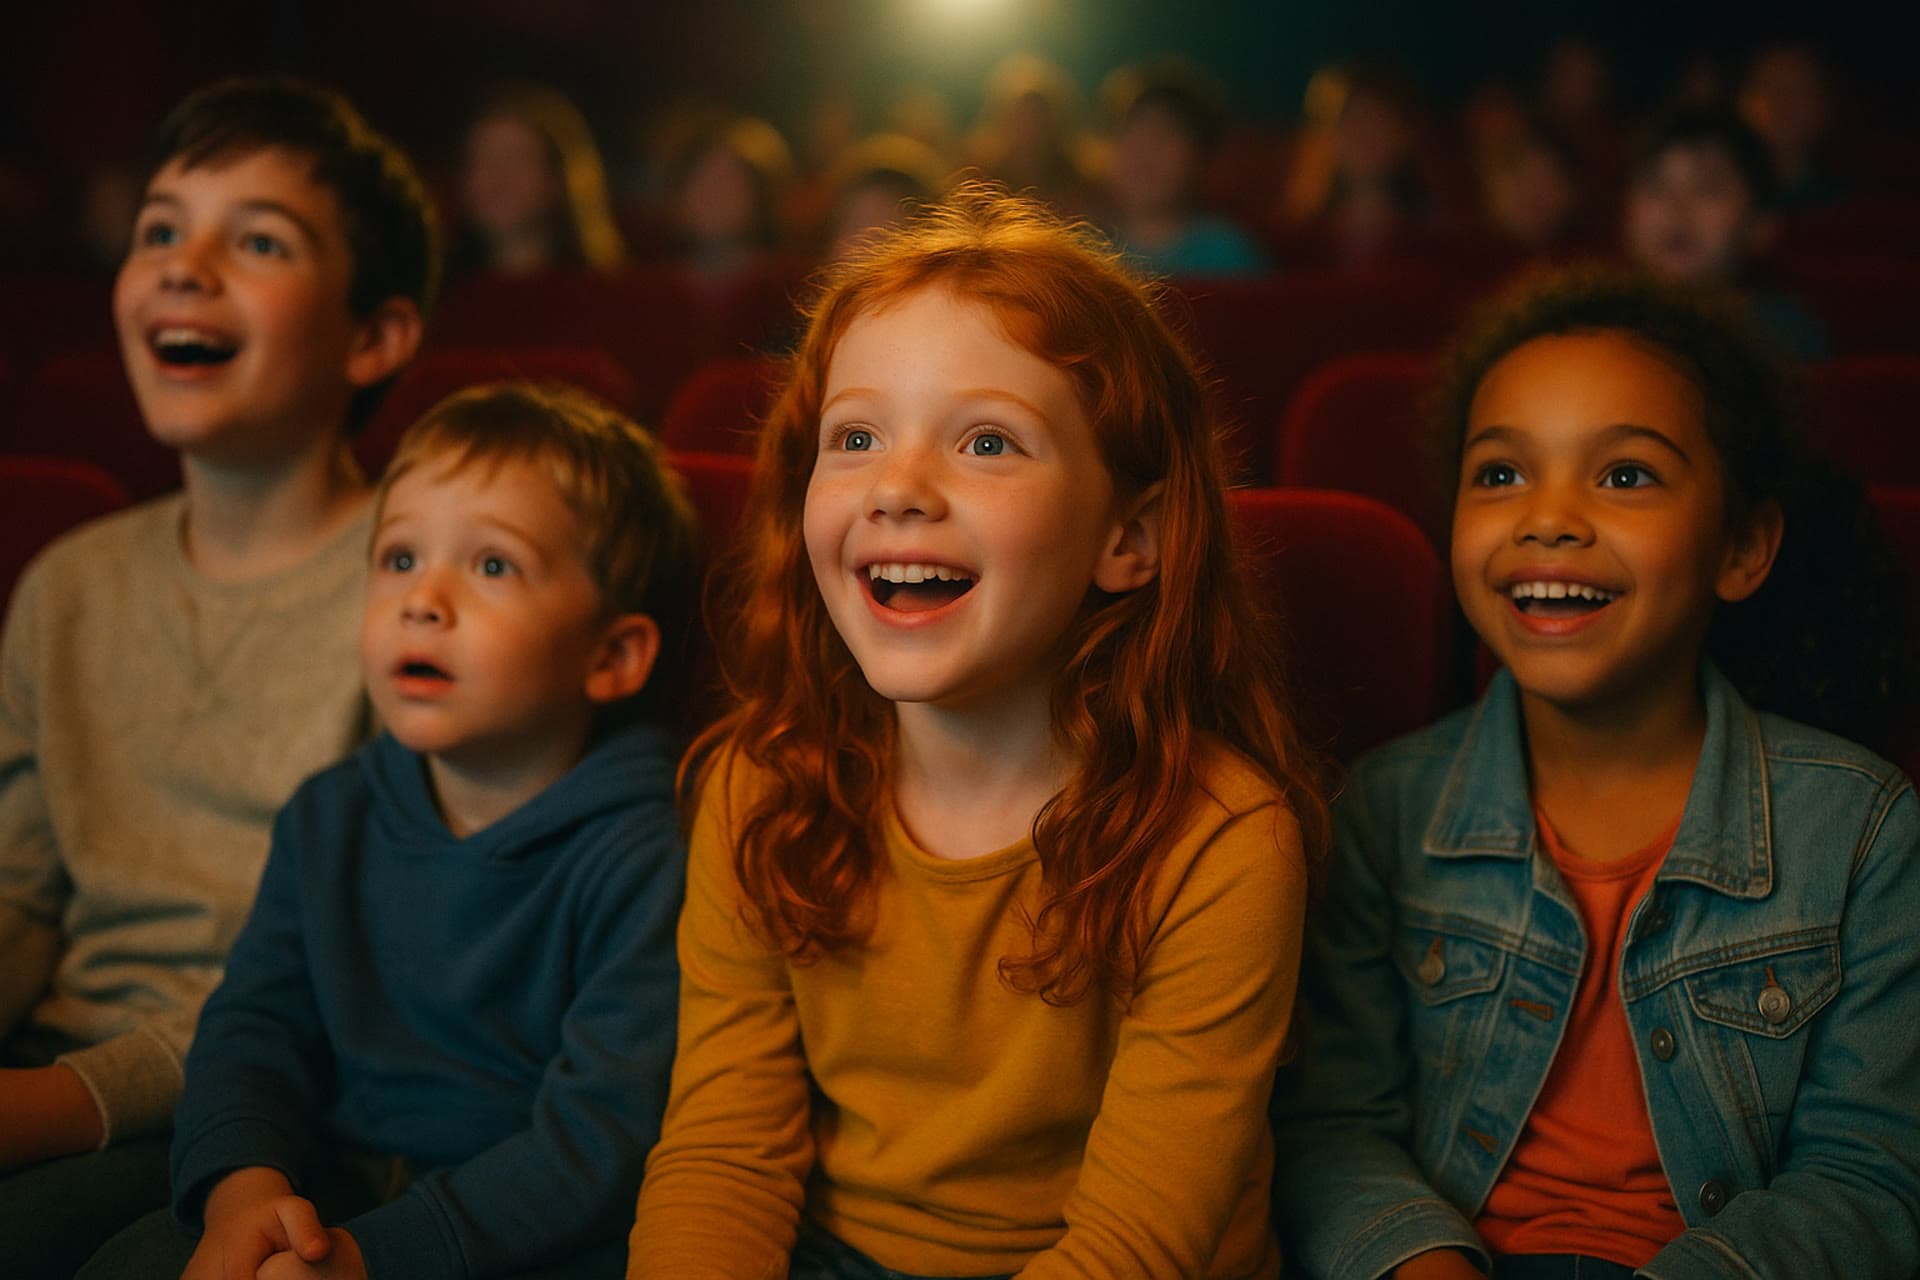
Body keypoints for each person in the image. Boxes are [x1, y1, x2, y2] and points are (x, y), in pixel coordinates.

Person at [629, 185, 1323, 1279]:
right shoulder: (756, 783)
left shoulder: (1224, 838)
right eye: (854, 435)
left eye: (988, 441)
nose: (899, 487)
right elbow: (725, 1156)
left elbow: (1135, 1244)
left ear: (1128, 535)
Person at [1271, 267, 1920, 1280]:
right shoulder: (1381, 809)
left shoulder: (1864, 829)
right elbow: (1329, 1128)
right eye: (1500, 474)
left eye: (1624, 475)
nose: (1550, 517)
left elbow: (1869, 1175)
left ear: (1742, 545)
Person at [86, 381, 703, 1280]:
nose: (425, 601)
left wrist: (370, 1259)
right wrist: (243, 1192)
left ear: (611, 657)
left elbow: (595, 1149)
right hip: (326, 1187)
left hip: (515, 1239)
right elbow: (256, 1029)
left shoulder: (647, 853)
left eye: (493, 566)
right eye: (400, 558)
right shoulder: (329, 814)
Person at [0, 75, 431, 1277]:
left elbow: (351, 974)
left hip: (300, 1105)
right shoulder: (70, 582)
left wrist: (53, 1102)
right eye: (159, 229)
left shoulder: (426, 588)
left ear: (375, 335)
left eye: (256, 239)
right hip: (64, 1060)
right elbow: (24, 889)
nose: (187, 266)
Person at [1622, 106, 1829, 359]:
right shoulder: (1605, 331)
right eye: (1655, 185)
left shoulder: (1784, 335)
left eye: (1707, 187)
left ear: (1761, 225)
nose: (1676, 208)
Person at [1101, 60, 1268, 279]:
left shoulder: (1228, 256)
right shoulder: (1086, 253)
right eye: (1132, 129)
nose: (1147, 147)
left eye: (1169, 131)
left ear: (1201, 155)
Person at [453, 83, 628, 277]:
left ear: (558, 177)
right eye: (482, 160)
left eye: (517, 159)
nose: (499, 177)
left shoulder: (603, 287)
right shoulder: (438, 295)